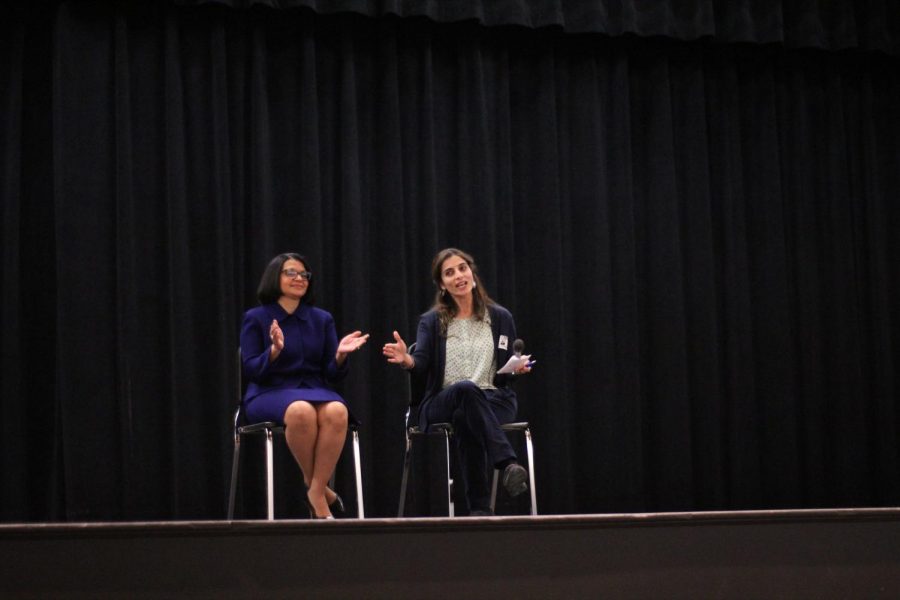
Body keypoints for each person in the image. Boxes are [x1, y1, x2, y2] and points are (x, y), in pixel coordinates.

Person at [383, 247, 531, 516]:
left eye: (462, 268)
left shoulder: (500, 318)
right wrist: (407, 359)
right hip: (442, 400)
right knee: (464, 390)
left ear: (472, 273)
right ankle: (507, 462)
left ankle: (480, 511)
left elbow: (504, 373)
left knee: (466, 416)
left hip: (494, 399)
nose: (459, 276)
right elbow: (422, 363)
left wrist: (516, 369)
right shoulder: (432, 321)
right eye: (449, 273)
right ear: (442, 285)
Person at [240, 252, 369, 519]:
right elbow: (251, 369)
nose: (299, 278)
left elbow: (331, 374)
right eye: (291, 273)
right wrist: (274, 351)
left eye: (304, 275)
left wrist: (340, 355)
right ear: (275, 277)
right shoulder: (256, 317)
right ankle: (321, 495)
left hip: (313, 388)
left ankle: (314, 488)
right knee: (301, 411)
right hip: (268, 391)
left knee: (337, 411)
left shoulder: (322, 319)